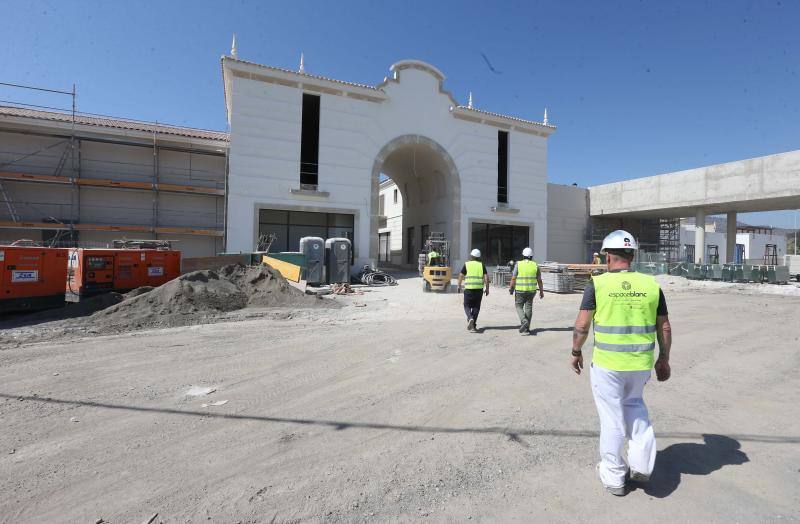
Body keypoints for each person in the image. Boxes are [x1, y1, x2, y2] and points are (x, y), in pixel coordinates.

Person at [570, 230, 672, 496]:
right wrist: (664, 359)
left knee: (612, 418)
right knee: (635, 407)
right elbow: (665, 327)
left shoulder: (598, 284)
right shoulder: (652, 285)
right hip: (639, 365)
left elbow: (582, 325)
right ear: (632, 255)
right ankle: (641, 464)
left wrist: (575, 351)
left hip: (608, 365)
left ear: (607, 255)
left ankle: (614, 476)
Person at [508, 247, 544, 335]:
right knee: (528, 308)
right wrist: (541, 291)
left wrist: (511, 288)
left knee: (518, 306)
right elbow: (539, 280)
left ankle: (524, 321)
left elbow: (513, 278)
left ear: (523, 256)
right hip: (531, 291)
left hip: (520, 291)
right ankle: (527, 328)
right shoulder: (535, 265)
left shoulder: (518, 264)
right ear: (531, 257)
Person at [456, 249, 490, 332]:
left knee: (466, 305)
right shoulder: (481, 265)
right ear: (479, 257)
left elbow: (461, 275)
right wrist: (487, 288)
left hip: (469, 289)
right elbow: (486, 277)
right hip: (479, 290)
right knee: (476, 307)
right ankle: (473, 326)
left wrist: (459, 285)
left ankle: (470, 318)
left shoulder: (467, 264)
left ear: (471, 256)